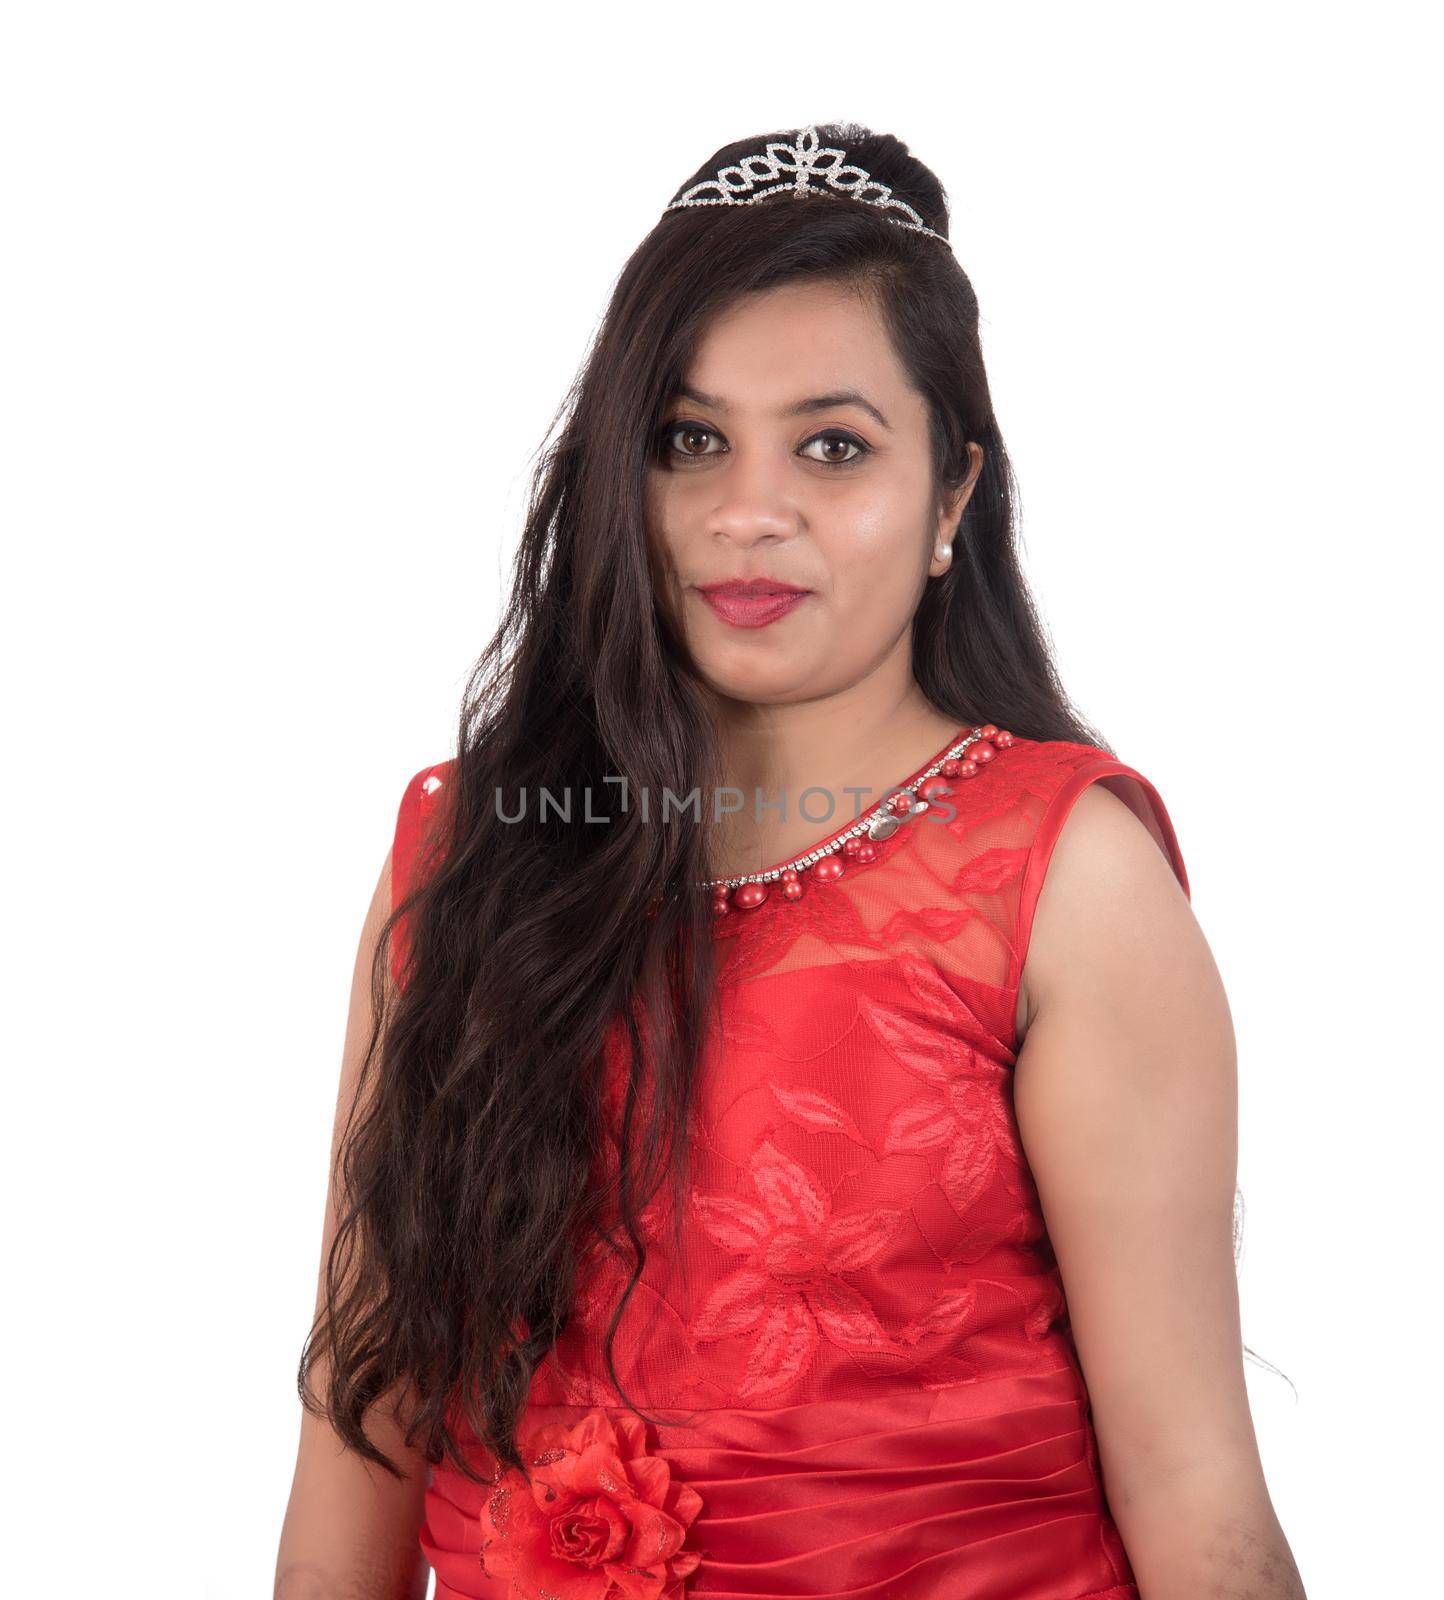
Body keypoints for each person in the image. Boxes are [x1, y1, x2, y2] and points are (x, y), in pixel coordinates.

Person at [276, 123, 1306, 1600]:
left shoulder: (1066, 884)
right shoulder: (471, 854)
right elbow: (360, 1420)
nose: (747, 511)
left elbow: (1190, 1480)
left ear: (954, 496)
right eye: (691, 440)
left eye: (833, 445)